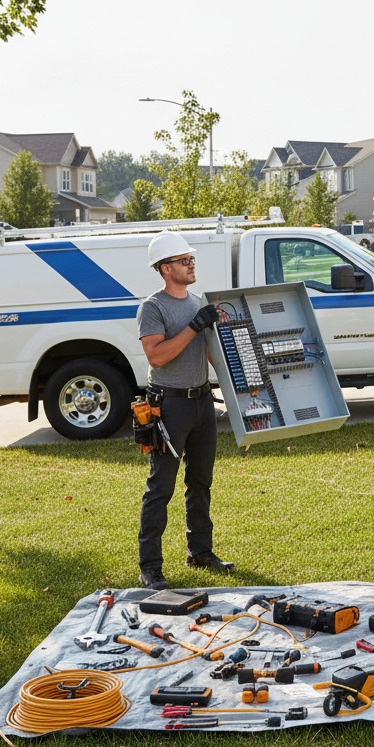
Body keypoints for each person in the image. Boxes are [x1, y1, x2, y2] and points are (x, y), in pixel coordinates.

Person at [136, 230, 234, 590]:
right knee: (160, 487)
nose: (191, 264)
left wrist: (238, 382)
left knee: (201, 481)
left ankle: (200, 552)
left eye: (191, 259)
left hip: (201, 403)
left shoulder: (196, 302)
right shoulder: (153, 307)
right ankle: (150, 567)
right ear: (165, 268)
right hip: (168, 405)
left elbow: (207, 353)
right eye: (183, 260)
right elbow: (157, 356)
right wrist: (195, 326)